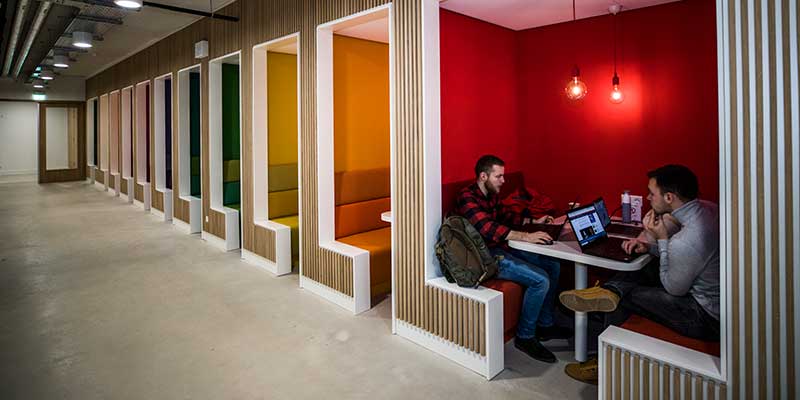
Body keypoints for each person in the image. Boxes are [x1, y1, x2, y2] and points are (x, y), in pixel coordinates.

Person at [559, 164, 720, 384]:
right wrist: (650, 247)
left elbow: (674, 288)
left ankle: (604, 365)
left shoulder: (686, 241)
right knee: (644, 264)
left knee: (625, 298)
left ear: (670, 197)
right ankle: (608, 291)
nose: (647, 197)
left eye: (652, 194)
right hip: (708, 295)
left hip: (704, 316)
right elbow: (682, 259)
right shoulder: (708, 209)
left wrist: (662, 240)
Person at [456, 155, 571, 363]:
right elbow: (488, 228)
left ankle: (545, 325)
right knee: (541, 279)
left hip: (500, 247)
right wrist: (526, 236)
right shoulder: (467, 197)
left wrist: (533, 221)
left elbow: (507, 216)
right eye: (498, 176)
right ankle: (525, 336)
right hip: (484, 257)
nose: (503, 181)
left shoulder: (491, 194)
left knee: (553, 265)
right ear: (483, 176)